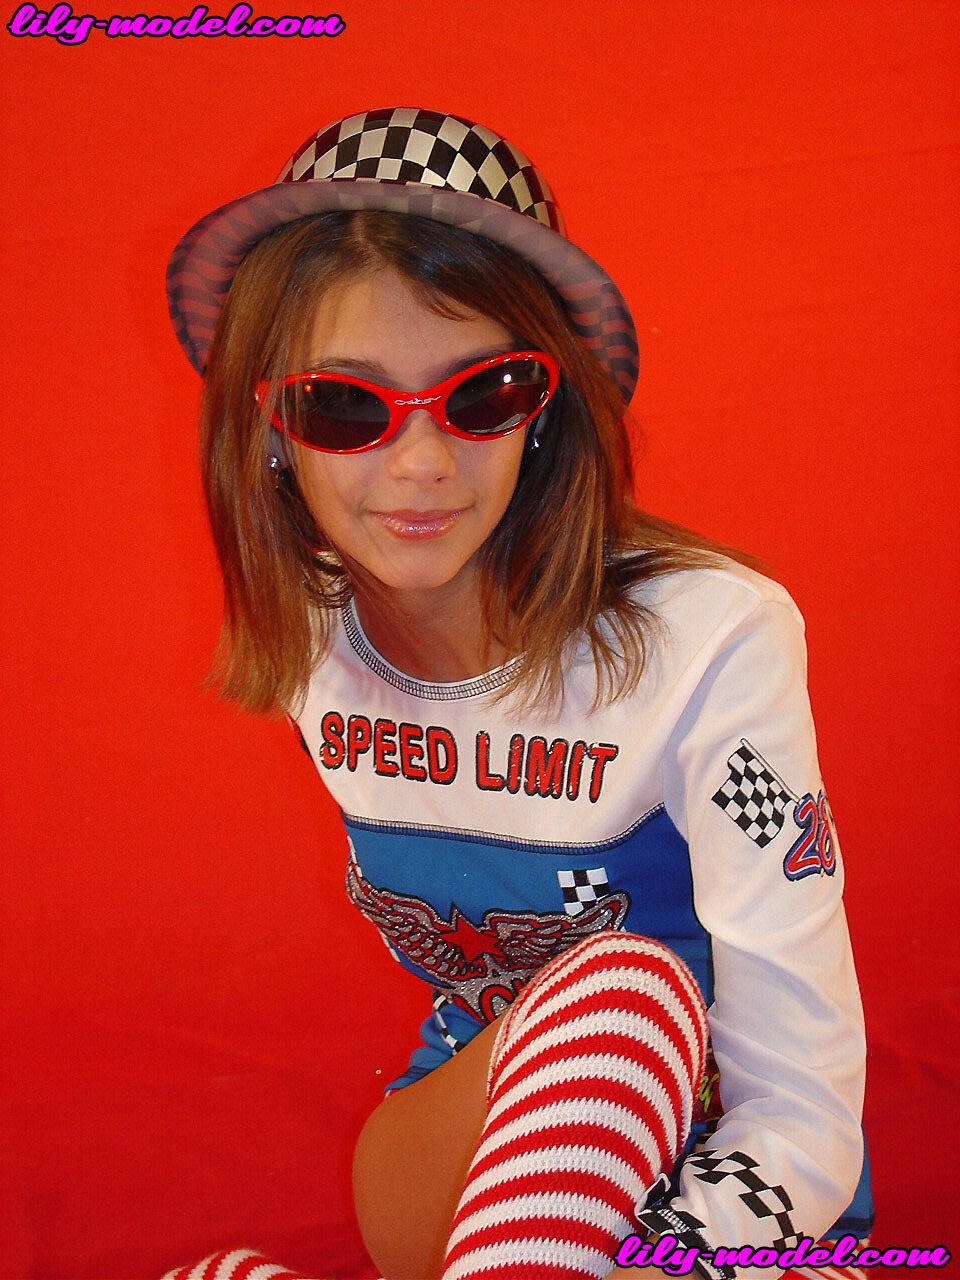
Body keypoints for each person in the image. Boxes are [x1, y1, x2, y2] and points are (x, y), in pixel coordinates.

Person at [164, 108, 873, 1280]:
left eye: (483, 392)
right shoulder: (315, 643)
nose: (420, 463)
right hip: (461, 1153)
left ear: (548, 407)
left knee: (627, 987)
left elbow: (802, 1108)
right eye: (344, 404)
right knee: (610, 991)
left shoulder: (711, 636)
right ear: (271, 428)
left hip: (734, 1196)